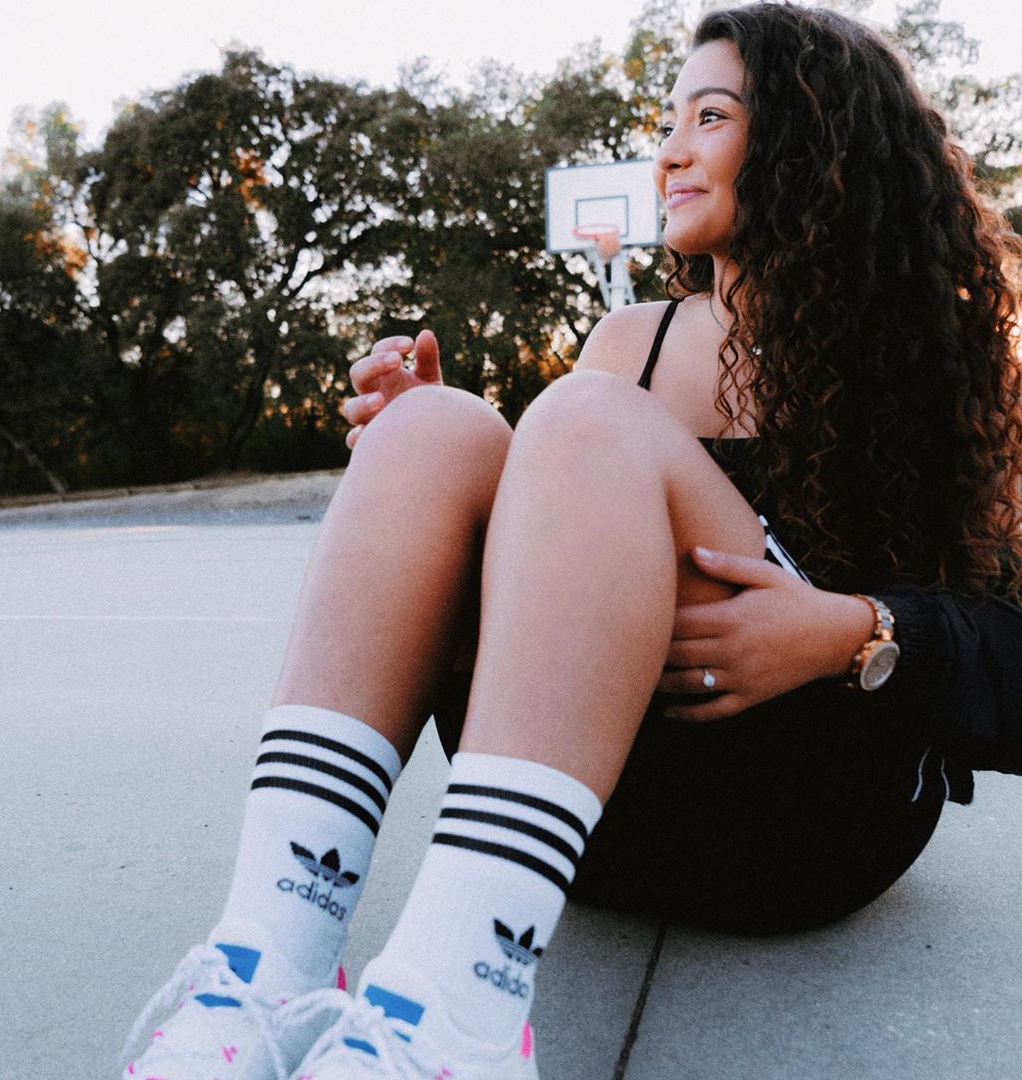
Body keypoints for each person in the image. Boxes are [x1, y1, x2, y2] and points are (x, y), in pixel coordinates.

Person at [120, 4, 1022, 1078]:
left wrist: (856, 631)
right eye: (668, 121)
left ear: (817, 141)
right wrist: (444, 491)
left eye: (711, 117)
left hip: (807, 820)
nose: (670, 151)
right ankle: (266, 972)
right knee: (439, 429)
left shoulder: (951, 361)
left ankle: (450, 1027)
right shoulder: (628, 342)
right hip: (593, 826)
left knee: (587, 420)